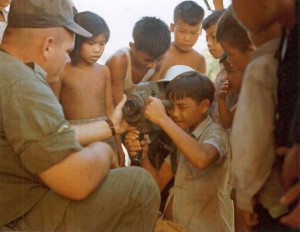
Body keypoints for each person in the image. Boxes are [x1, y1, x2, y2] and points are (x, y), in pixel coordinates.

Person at [0, 1, 160, 231]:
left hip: (14, 207)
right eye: (67, 51)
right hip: (18, 218)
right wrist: (104, 151)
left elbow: (48, 134)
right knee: (139, 185)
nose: (68, 60)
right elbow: (75, 181)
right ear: (48, 45)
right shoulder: (23, 83)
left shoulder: (7, 69)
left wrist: (110, 127)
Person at [125, 71, 234, 231]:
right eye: (171, 106)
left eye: (182, 107)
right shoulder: (184, 137)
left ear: (204, 106)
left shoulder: (216, 133)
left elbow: (202, 158)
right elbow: (157, 184)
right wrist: (144, 155)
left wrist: (163, 119)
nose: (174, 113)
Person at [231, 0, 300, 229]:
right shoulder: (286, 41)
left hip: (274, 203)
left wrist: (244, 196)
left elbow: (253, 144)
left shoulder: (259, 68)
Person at [50, 11, 125, 165]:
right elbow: (53, 110)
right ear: (77, 41)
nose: (97, 49)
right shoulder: (64, 70)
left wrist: (118, 145)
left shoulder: (104, 71)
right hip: (76, 136)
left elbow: (110, 111)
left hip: (105, 135)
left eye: (102, 44)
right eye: (91, 43)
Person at [106, 16, 171, 106]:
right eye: (147, 60)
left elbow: (150, 94)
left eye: (158, 59)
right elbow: (117, 104)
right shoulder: (119, 61)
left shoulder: (161, 57)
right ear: (133, 47)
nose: (153, 65)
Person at [150, 1, 206, 81]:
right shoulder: (161, 52)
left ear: (200, 31)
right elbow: (150, 87)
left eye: (193, 33)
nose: (187, 38)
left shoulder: (199, 60)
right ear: (172, 27)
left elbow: (202, 90)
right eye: (182, 31)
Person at [217, 53, 243, 129]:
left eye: (230, 71)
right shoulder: (245, 98)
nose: (226, 78)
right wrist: (221, 99)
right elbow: (227, 123)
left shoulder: (253, 95)